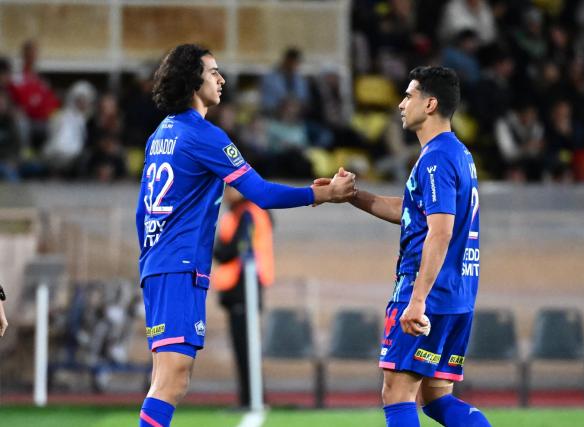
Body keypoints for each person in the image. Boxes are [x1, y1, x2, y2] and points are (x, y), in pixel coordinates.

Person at [135, 44, 355, 427]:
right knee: (172, 379)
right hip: (179, 267)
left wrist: (157, 256)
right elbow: (262, 193)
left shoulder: (160, 135)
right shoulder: (203, 135)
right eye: (213, 72)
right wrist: (324, 194)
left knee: (166, 377)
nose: (221, 79)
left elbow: (142, 214)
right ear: (192, 80)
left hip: (159, 266)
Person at [319, 66, 490, 426]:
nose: (400, 104)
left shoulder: (435, 159)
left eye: (408, 95)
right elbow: (411, 212)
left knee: (396, 392)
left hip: (427, 293)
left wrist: (417, 301)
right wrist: (353, 196)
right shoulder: (458, 153)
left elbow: (439, 232)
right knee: (436, 397)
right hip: (458, 293)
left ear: (430, 104)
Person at [213, 186, 274, 408]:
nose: (227, 194)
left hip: (244, 287)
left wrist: (218, 250)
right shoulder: (238, 213)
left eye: (231, 189)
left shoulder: (248, 213)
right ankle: (249, 398)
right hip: (238, 288)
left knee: (246, 347)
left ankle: (253, 399)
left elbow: (229, 250)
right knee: (243, 347)